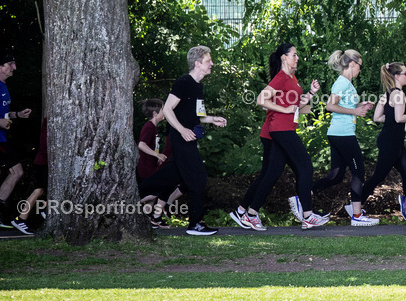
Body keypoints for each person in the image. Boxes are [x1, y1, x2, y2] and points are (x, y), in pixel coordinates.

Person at [231, 43, 329, 231]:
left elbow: (296, 105)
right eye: (294, 54)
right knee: (305, 166)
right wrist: (284, 109)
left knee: (274, 173)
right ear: (284, 57)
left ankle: (251, 213)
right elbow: (261, 99)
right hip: (281, 129)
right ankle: (307, 215)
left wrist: (310, 93)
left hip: (284, 128)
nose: (297, 57)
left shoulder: (292, 77)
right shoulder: (281, 77)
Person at [138, 45, 227, 236]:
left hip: (188, 138)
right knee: (199, 178)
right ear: (197, 63)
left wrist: (213, 119)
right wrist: (182, 129)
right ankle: (195, 224)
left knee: (168, 177)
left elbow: (197, 115)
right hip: (180, 139)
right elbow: (168, 109)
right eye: (208, 61)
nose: (212, 63)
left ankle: (136, 194)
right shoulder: (184, 82)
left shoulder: (198, 85)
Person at [312, 48, 377, 226]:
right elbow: (330, 106)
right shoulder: (342, 83)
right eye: (360, 66)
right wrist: (355, 110)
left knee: (336, 176)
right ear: (352, 64)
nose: (360, 70)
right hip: (343, 134)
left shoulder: (347, 84)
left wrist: (361, 105)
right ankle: (356, 216)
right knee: (359, 172)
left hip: (338, 133)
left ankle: (304, 193)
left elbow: (345, 105)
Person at [361, 63, 406, 220]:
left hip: (394, 142)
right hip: (390, 143)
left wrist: (392, 121)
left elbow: (377, 117)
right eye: (405, 74)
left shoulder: (387, 94)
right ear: (397, 76)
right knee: (378, 176)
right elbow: (399, 118)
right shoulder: (399, 95)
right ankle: (356, 203)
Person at [0, 53, 31, 229]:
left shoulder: (3, 85)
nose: (14, 68)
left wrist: (18, 115)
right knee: (17, 172)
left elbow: (3, 114)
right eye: (10, 64)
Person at [137, 99, 181, 228]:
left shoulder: (154, 128)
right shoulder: (149, 126)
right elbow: (141, 144)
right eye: (163, 110)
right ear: (156, 113)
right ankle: (134, 203)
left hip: (152, 164)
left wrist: (157, 156)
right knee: (155, 191)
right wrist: (157, 154)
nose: (165, 113)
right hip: (146, 166)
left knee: (154, 195)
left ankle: (149, 219)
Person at [11, 118, 47, 235]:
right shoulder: (51, 120)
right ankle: (21, 219)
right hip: (43, 161)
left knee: (41, 189)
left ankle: (44, 210)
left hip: (43, 161)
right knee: (39, 190)